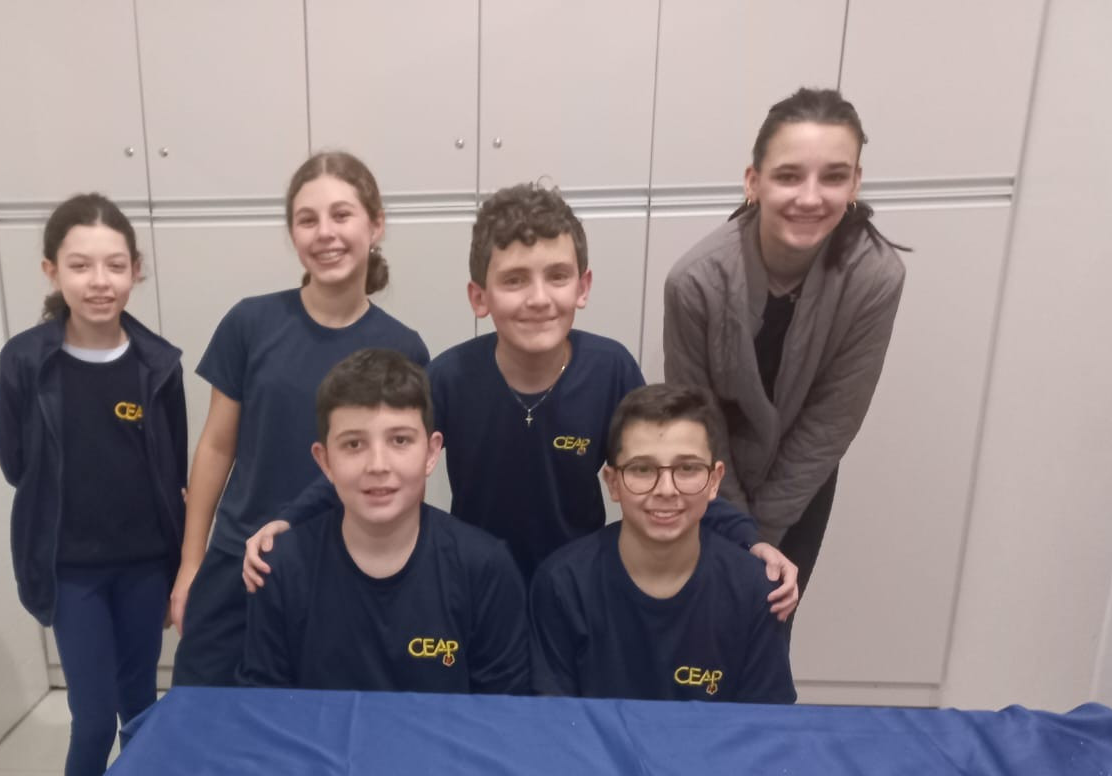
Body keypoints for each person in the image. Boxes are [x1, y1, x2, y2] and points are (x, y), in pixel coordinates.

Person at [246, 183, 799, 615]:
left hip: (581, 590)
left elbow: (668, 465)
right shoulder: (450, 377)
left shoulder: (610, 370)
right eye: (514, 281)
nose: (538, 298)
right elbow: (379, 455)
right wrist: (291, 521)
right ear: (479, 297)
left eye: (556, 276)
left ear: (582, 287)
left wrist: (747, 539)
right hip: (476, 589)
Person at [170, 151, 429, 686]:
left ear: (376, 225)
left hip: (339, 571)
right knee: (203, 716)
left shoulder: (403, 348)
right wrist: (191, 563)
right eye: (307, 219)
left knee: (315, 726)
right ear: (293, 233)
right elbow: (216, 446)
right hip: (237, 563)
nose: (325, 233)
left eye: (342, 215)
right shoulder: (250, 323)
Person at [663, 87, 907, 600]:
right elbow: (697, 420)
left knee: (768, 618)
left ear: (855, 183)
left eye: (833, 176)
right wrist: (737, 531)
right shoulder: (694, 282)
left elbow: (831, 421)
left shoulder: (876, 277)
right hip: (708, 481)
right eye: (789, 175)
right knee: (696, 619)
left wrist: (765, 535)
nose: (810, 197)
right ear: (753, 182)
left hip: (800, 488)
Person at [0, 194, 186, 776]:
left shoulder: (159, 364)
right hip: (71, 571)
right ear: (51, 271)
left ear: (136, 270)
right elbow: (14, 462)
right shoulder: (25, 362)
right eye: (80, 266)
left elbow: (173, 469)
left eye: (114, 265)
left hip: (144, 567)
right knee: (95, 717)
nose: (99, 281)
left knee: (142, 709)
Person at [239, 349, 528, 693]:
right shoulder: (283, 568)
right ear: (325, 461)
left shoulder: (484, 568)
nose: (378, 465)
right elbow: (263, 706)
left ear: (431, 453)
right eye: (353, 444)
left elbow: (503, 710)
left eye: (400, 440)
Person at [530, 384, 796, 704]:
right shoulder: (563, 585)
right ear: (613, 483)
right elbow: (556, 722)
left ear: (714, 481)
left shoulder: (755, 591)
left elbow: (765, 725)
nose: (666, 489)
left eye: (687, 468)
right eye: (642, 469)